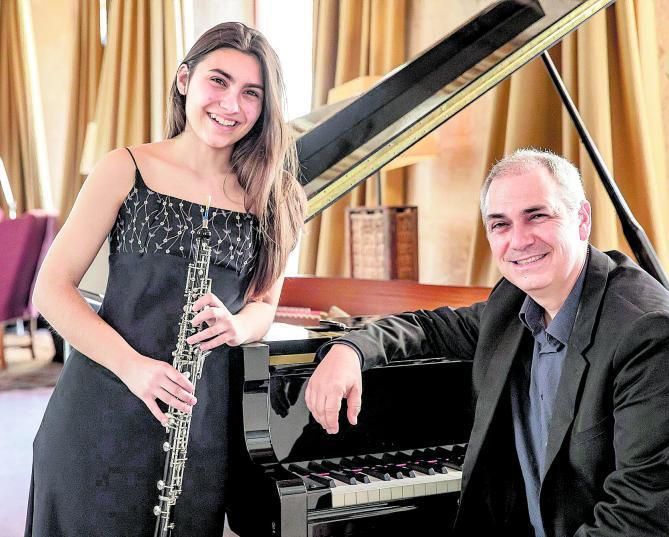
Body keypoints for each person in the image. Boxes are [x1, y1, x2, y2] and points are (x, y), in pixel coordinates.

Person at [26, 22, 305, 537]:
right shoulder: (125, 168)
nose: (231, 104)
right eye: (217, 81)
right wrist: (134, 368)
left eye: (251, 93)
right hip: (101, 408)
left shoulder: (274, 194)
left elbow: (265, 303)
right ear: (184, 80)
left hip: (199, 425)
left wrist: (239, 326)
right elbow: (51, 289)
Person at [305, 149, 669, 536]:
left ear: (581, 219)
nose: (519, 240)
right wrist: (350, 349)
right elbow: (430, 327)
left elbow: (639, 517)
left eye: (537, 216)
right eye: (500, 225)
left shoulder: (645, 333)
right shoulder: (512, 303)